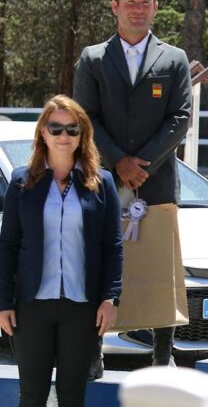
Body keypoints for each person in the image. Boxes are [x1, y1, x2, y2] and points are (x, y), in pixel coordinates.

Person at [73, 0, 192, 376]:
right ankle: (94, 352)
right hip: (102, 179)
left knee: (160, 268)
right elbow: (84, 116)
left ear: (155, 8)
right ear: (115, 6)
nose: (138, 9)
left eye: (145, 2)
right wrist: (118, 162)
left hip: (156, 183)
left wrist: (143, 165)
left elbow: (181, 117)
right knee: (100, 265)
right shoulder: (91, 58)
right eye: (130, 1)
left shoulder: (173, 58)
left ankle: (162, 354)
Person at [0, 95, 123, 406]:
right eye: (55, 128)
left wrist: (110, 298)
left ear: (83, 135)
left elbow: (112, 246)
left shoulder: (102, 183)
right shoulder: (21, 183)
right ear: (43, 132)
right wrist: (3, 303)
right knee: (31, 394)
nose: (64, 136)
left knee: (72, 395)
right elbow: (8, 246)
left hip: (82, 308)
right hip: (31, 307)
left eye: (72, 129)